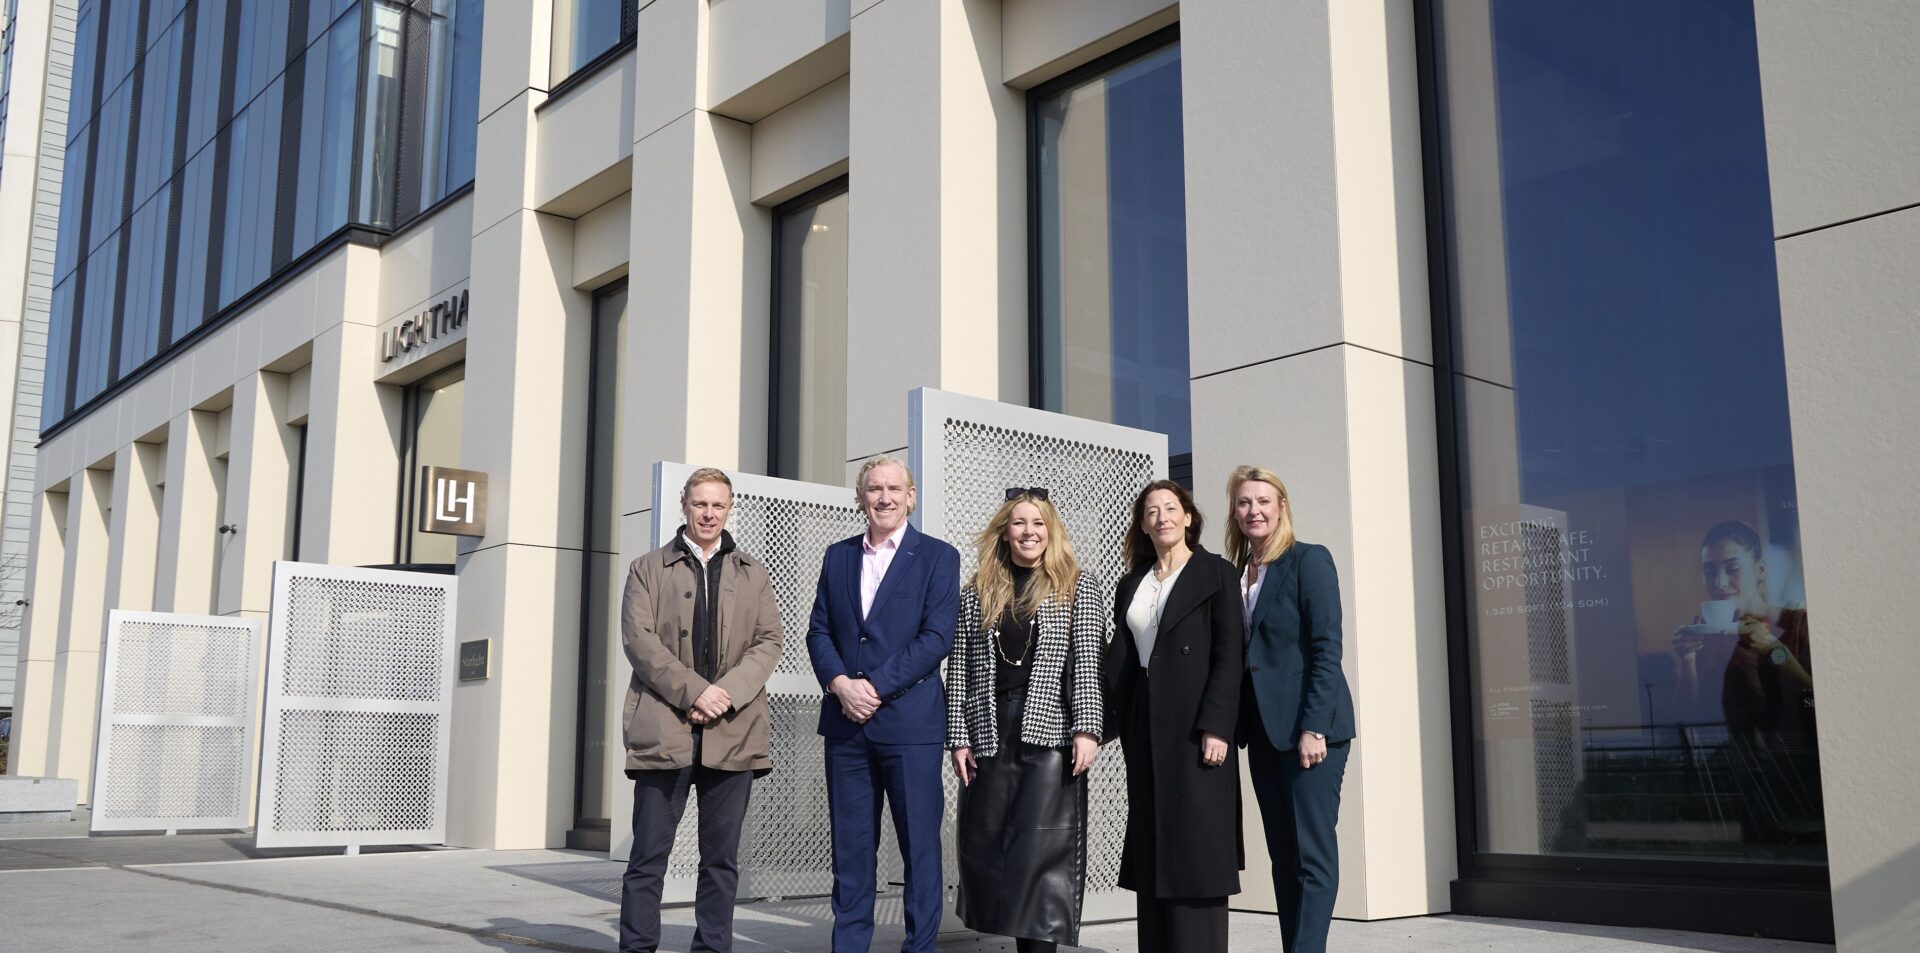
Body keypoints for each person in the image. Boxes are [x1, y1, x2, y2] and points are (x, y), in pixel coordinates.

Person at [619, 468, 785, 953]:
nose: (708, 513)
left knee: (720, 861)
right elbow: (639, 641)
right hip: (663, 729)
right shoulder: (646, 568)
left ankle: (712, 948)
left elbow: (769, 640)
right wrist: (694, 692)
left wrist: (725, 693)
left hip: (733, 732)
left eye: (717, 504)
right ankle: (637, 947)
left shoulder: (753, 571)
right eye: (700, 504)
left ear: (729, 507)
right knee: (648, 857)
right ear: (683, 505)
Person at [805, 456, 961, 953]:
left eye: (895, 488)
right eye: (874, 488)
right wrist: (838, 683)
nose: (885, 497)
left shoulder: (938, 556)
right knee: (851, 853)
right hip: (846, 730)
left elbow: (936, 638)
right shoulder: (838, 556)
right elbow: (819, 631)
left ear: (911, 496)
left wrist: (869, 686)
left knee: (919, 849)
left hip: (910, 726)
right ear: (860, 496)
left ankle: (920, 947)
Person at [946, 488, 1107, 953]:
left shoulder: (1078, 584)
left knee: (1043, 856)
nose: (1029, 532)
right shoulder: (976, 591)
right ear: (1005, 530)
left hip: (1051, 734)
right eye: (1019, 523)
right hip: (990, 732)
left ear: (1051, 530)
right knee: (992, 848)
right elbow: (960, 669)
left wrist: (1087, 729)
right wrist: (959, 738)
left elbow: (1086, 665)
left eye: (1038, 523)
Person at [1104, 479, 1244, 953]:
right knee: (1153, 840)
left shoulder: (1216, 573)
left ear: (1188, 517)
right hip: (1145, 725)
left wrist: (1217, 725)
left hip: (1195, 726)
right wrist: (1089, 726)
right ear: (1142, 525)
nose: (1161, 517)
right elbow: (1118, 663)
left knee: (1197, 841)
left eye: (1170, 508)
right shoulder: (1133, 583)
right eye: (1151, 511)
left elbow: (1229, 655)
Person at [1227, 466, 1355, 953]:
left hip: (1310, 732)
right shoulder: (1239, 573)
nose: (1253, 510)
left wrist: (1314, 728)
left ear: (1281, 506)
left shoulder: (1308, 561)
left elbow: (1327, 650)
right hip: (1263, 734)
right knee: (1283, 855)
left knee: (1312, 855)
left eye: (1263, 500)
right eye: (1243, 502)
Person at [1671, 519, 1819, 845]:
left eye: (1732, 568)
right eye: (1709, 571)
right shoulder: (1704, 634)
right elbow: (1690, 718)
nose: (1719, 582)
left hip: (1799, 786)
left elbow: (1813, 702)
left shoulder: (1796, 624)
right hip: (1734, 789)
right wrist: (1687, 661)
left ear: (1760, 569)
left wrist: (1774, 650)